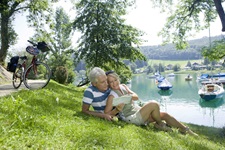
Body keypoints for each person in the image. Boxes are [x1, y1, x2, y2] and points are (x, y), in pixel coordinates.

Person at [104, 71, 198, 136]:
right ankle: (160, 124)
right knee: (153, 104)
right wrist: (117, 110)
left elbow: (136, 97)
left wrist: (128, 97)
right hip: (131, 118)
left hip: (139, 112)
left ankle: (185, 129)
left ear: (118, 79)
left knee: (164, 114)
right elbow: (106, 114)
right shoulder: (112, 96)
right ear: (108, 84)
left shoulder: (123, 86)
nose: (114, 83)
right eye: (111, 82)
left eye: (115, 80)